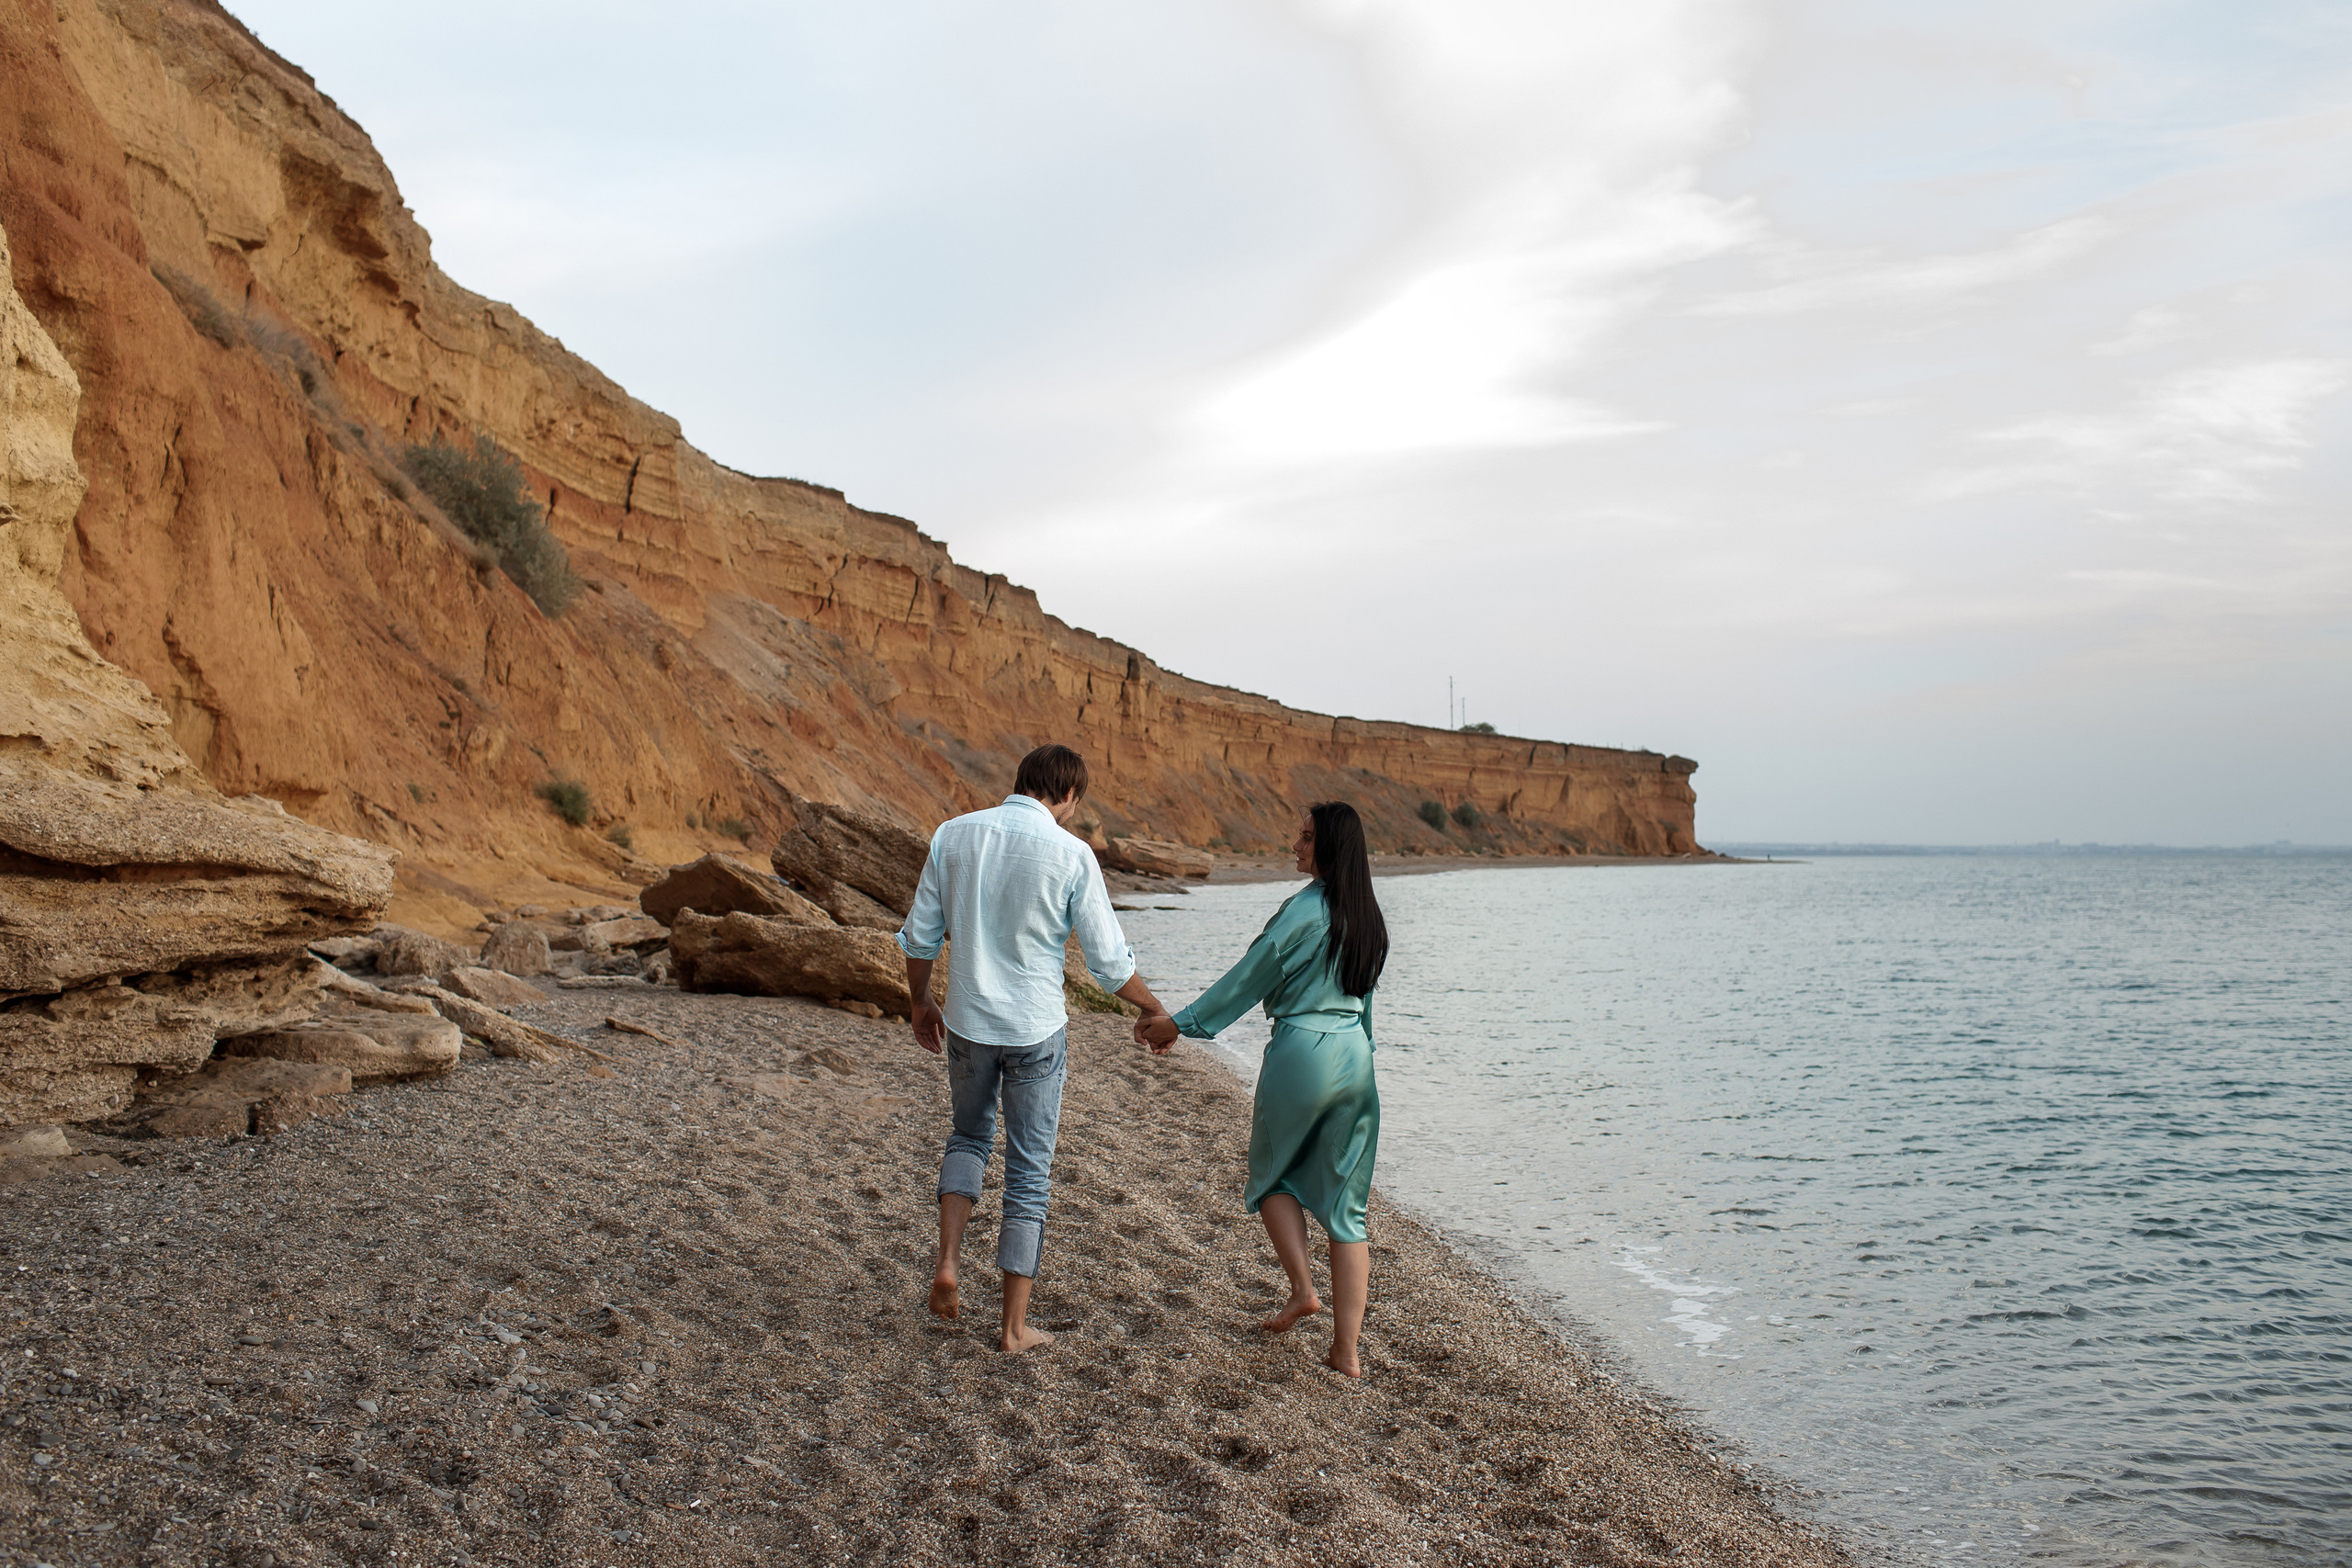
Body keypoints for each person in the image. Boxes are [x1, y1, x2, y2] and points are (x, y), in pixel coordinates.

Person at [898, 743, 1173, 1354]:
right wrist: (1152, 1006)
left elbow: (920, 937)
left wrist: (921, 1001)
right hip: (1034, 1032)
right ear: (1069, 797)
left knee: (967, 1136)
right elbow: (1106, 961)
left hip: (969, 1021)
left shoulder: (954, 834)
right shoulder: (1071, 853)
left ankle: (947, 1262)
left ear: (1020, 780)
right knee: (1028, 1172)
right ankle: (1013, 1327)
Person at [1136, 801, 1387, 1378]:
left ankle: (1302, 1289)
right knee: (1350, 1213)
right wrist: (1362, 1055)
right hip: (1356, 1057)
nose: (1295, 847)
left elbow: (1248, 980)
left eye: (1305, 839)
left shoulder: (1303, 910)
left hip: (1303, 1051)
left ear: (1331, 848)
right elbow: (1365, 1000)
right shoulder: (1367, 916)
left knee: (1271, 1176)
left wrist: (1180, 1023)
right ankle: (1346, 1353)